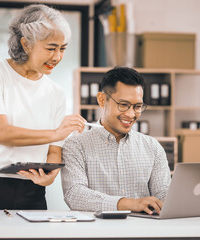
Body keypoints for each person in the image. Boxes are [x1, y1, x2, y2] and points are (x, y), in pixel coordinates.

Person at [0, 4, 86, 211]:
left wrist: (50, 176)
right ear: (26, 44)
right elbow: (0, 133)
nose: (57, 57)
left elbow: (54, 151)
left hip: (31, 191)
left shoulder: (56, 93)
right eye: (51, 48)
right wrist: (56, 133)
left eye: (62, 49)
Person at [61, 67, 171, 215]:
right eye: (123, 105)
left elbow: (163, 195)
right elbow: (74, 195)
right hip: (96, 233)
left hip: (143, 232)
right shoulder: (76, 145)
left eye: (137, 106)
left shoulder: (152, 147)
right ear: (101, 99)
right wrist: (130, 203)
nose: (131, 114)